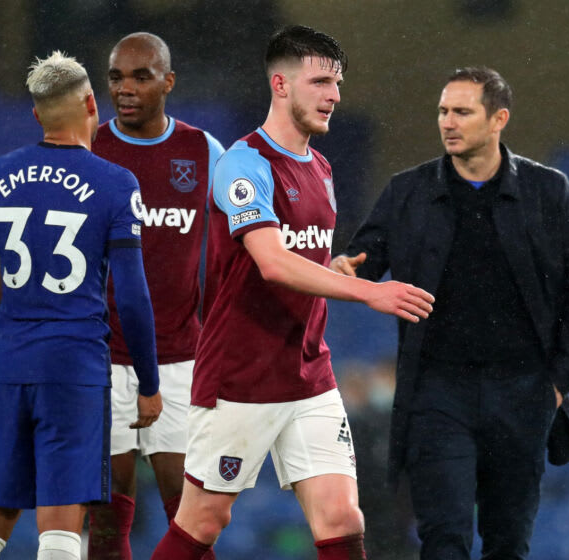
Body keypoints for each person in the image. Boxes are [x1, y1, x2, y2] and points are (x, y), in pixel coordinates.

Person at [150, 25, 435, 560]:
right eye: (321, 81)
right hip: (240, 376)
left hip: (308, 374)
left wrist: (334, 267)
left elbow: (298, 257)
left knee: (341, 516)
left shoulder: (322, 168)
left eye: (338, 82)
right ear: (280, 85)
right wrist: (368, 294)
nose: (334, 95)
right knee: (204, 521)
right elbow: (274, 263)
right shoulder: (243, 164)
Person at [330, 66, 569, 559]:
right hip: (438, 392)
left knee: (508, 541)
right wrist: (345, 267)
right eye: (442, 111)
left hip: (522, 391)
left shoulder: (548, 191)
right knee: (443, 537)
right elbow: (361, 261)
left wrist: (558, 383)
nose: (447, 122)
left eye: (462, 112)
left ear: (499, 119)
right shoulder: (407, 191)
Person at [0, 51, 163, 560]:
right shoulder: (115, 183)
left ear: (37, 115)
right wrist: (149, 382)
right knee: (60, 529)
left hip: (11, 363)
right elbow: (130, 294)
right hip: (73, 368)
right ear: (92, 105)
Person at [87, 32, 224, 559]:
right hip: (104, 358)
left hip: (180, 361)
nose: (126, 88)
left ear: (169, 82)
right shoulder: (91, 148)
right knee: (104, 526)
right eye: (117, 77)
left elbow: (242, 242)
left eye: (141, 77)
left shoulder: (203, 151)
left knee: (192, 523)